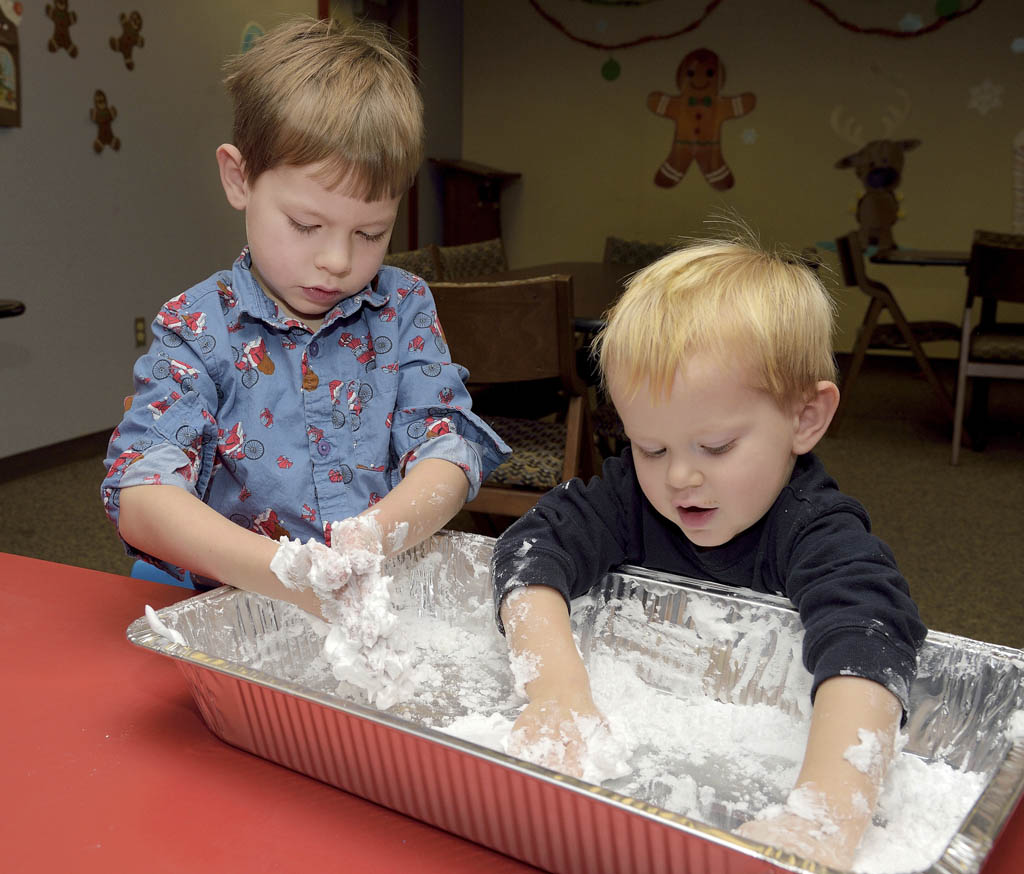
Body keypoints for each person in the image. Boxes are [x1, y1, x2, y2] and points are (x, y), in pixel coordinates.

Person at [490, 235, 926, 869]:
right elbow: (530, 546)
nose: (679, 479)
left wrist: (824, 816)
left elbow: (870, 637)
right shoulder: (629, 500)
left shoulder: (815, 529)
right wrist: (555, 692)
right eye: (651, 447)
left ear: (805, 418)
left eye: (716, 447)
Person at [102, 17, 508, 618]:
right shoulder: (196, 326)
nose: (337, 261)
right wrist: (289, 576)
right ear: (239, 178)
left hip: (378, 602)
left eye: (371, 233)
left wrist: (367, 541)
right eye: (305, 225)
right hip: (238, 611)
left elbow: (446, 453)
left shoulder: (403, 308)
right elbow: (142, 495)